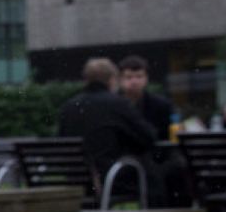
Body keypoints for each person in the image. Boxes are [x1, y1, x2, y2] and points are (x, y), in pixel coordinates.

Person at [57, 57, 162, 203]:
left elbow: (62, 142)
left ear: (86, 80)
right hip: (111, 179)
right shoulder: (117, 104)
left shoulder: (68, 107)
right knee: (158, 175)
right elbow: (148, 137)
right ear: (112, 80)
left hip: (77, 180)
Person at [117, 55, 177, 136]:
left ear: (147, 78)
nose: (134, 82)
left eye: (139, 76)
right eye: (129, 77)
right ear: (120, 80)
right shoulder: (113, 106)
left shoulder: (162, 105)